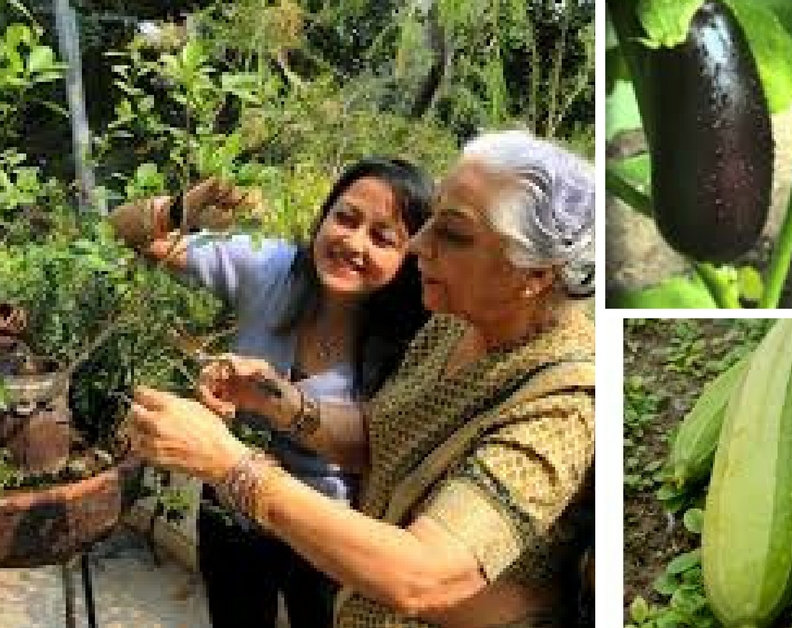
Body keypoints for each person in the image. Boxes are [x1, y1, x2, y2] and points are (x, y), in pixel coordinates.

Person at [123, 129, 596, 627]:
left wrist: (228, 464)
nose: (418, 243)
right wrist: (279, 401)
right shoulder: (457, 323)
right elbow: (381, 435)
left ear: (537, 273)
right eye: (430, 218)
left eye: (452, 233)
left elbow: (426, 576)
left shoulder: (561, 404)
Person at [109, 158, 434, 628]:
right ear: (323, 217)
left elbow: (378, 448)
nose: (352, 242)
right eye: (345, 218)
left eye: (383, 238)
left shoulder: (413, 340)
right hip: (232, 511)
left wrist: (274, 399)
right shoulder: (272, 267)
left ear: (411, 259)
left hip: (329, 532)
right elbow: (125, 234)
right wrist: (184, 206)